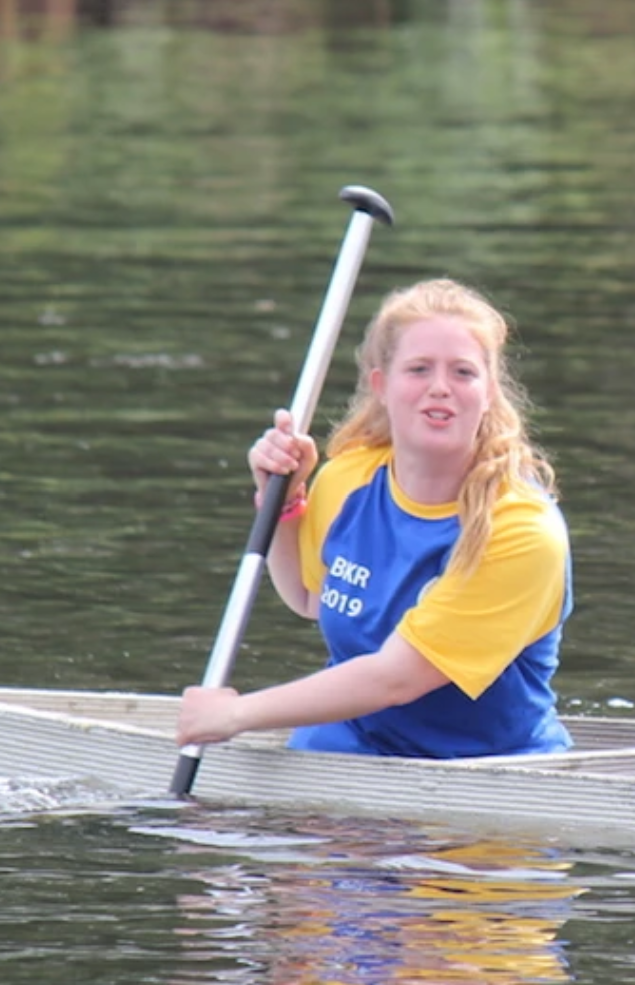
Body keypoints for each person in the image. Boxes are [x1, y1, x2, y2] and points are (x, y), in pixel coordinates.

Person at [177, 278, 572, 759]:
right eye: (419, 369)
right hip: (349, 745)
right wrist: (283, 500)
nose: (440, 388)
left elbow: (397, 679)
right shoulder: (348, 478)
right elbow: (308, 598)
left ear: (488, 392)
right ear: (381, 386)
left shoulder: (522, 530)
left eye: (463, 372)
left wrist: (235, 715)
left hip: (484, 765)